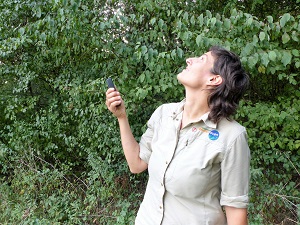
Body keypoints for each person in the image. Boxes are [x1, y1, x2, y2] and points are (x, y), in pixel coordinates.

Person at [105, 46, 250, 225]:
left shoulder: (231, 137)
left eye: (202, 59)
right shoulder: (163, 114)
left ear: (214, 79)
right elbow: (136, 164)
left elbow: (236, 215)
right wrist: (121, 118)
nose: (190, 59)